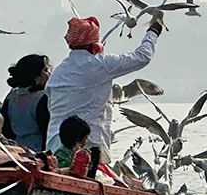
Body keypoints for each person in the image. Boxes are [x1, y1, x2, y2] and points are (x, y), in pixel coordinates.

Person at [45, 14, 163, 163]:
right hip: (87, 147)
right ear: (93, 41)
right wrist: (154, 31)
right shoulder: (100, 64)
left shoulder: (59, 72)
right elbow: (142, 57)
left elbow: (50, 106)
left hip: (54, 145)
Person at [1, 54, 51, 152]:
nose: (49, 74)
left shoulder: (11, 97)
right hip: (39, 152)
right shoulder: (42, 98)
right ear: (36, 76)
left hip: (15, 151)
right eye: (45, 70)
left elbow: (6, 130)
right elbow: (47, 131)